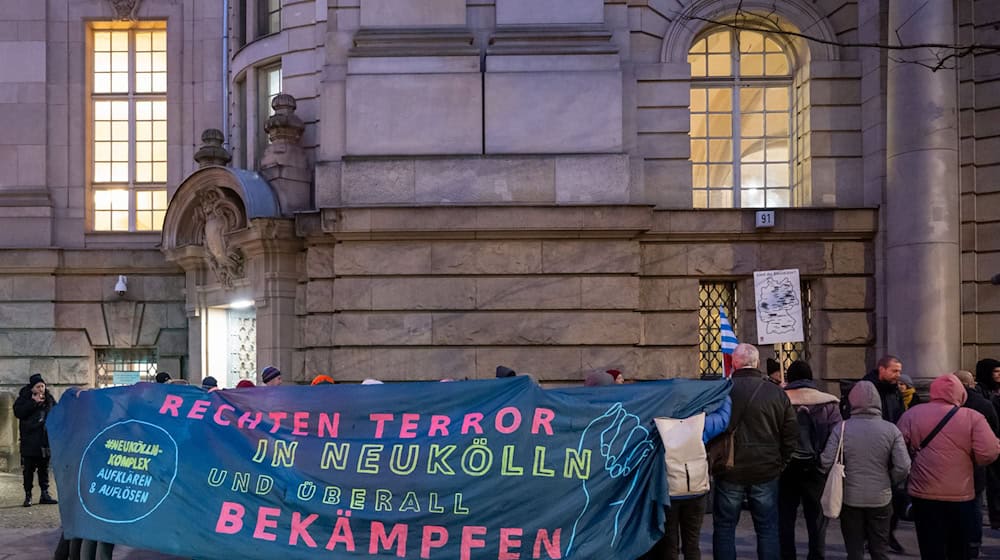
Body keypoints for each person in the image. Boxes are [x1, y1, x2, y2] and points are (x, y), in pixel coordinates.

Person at [897, 373, 1000, 560]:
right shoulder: (973, 417)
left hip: (923, 492)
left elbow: (898, 450)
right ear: (961, 393)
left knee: (930, 545)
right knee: (959, 546)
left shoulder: (912, 414)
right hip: (961, 492)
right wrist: (973, 460)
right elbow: (989, 452)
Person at [712, 343, 798, 560]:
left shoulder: (722, 391)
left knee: (724, 528)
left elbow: (711, 429)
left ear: (734, 363)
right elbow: (790, 434)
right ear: (757, 363)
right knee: (768, 528)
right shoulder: (777, 393)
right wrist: (781, 463)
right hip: (766, 469)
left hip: (729, 468)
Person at [820, 381, 910, 560]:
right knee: (879, 549)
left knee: (854, 551)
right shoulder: (891, 429)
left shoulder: (842, 428)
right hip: (881, 496)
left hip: (850, 497)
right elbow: (904, 465)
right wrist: (889, 480)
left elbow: (826, 461)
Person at [640, 394, 732, 560]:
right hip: (696, 488)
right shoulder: (700, 423)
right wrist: (723, 393)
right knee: (692, 543)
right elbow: (723, 419)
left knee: (669, 544)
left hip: (670, 490)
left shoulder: (659, 425)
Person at [779, 360, 841, 560]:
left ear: (791, 378)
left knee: (785, 518)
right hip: (816, 468)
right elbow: (836, 435)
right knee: (816, 519)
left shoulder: (780, 400)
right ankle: (816, 555)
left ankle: (788, 555)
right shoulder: (829, 402)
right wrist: (824, 462)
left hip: (785, 468)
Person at [954, 369, 1000, 557]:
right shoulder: (985, 405)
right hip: (978, 462)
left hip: (954, 465)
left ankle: (958, 539)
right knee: (975, 504)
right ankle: (974, 541)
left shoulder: (948, 406)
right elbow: (994, 434)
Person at [12, 373, 58, 507]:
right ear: (32, 388)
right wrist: (33, 403)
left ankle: (45, 494)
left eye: (43, 386)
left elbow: (56, 411)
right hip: (29, 440)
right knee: (28, 470)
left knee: (44, 469)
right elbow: (18, 412)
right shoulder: (24, 398)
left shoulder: (49, 399)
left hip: (44, 440)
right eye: (38, 386)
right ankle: (28, 496)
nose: (41, 389)